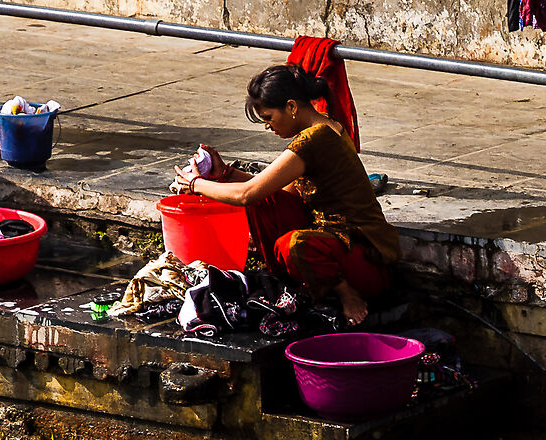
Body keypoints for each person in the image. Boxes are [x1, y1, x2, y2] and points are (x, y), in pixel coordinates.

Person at [169, 64, 399, 326]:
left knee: (293, 245)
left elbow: (247, 194)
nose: (267, 126)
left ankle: (348, 295)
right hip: (335, 243)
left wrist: (195, 185)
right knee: (265, 202)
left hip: (364, 258)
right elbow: (273, 190)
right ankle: (295, 283)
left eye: (268, 117)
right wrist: (225, 174)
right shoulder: (325, 125)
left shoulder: (315, 139)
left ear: (291, 107)